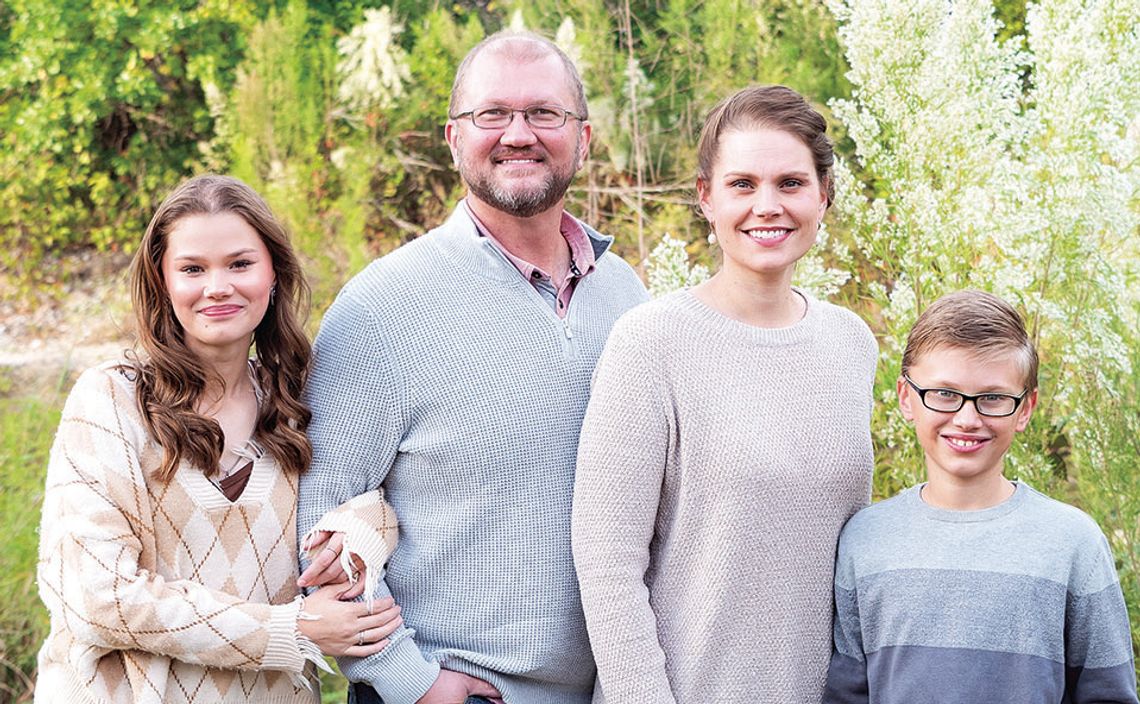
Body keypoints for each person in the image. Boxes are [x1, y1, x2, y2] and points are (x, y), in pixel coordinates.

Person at [295, 30, 649, 704]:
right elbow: (316, 519)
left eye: (545, 113)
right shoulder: (381, 307)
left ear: (585, 136)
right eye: (493, 114)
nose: (519, 133)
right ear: (454, 137)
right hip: (452, 695)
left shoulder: (627, 296)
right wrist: (409, 681)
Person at [35, 174, 403, 703]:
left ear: (273, 273)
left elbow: (395, 491)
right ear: (162, 281)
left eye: (239, 264)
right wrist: (289, 630)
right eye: (192, 269)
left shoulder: (303, 398)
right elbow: (98, 597)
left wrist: (366, 529)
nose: (217, 286)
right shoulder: (111, 401)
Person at [572, 85, 878, 703]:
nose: (768, 205)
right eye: (742, 184)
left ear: (824, 196)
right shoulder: (651, 342)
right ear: (706, 199)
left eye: (790, 183)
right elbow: (606, 562)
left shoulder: (850, 341)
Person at [823, 290, 1139, 703]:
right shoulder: (864, 539)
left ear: (1025, 408)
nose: (967, 419)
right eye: (944, 393)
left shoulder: (1073, 543)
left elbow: (1107, 696)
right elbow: (847, 695)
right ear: (906, 398)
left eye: (992, 398)